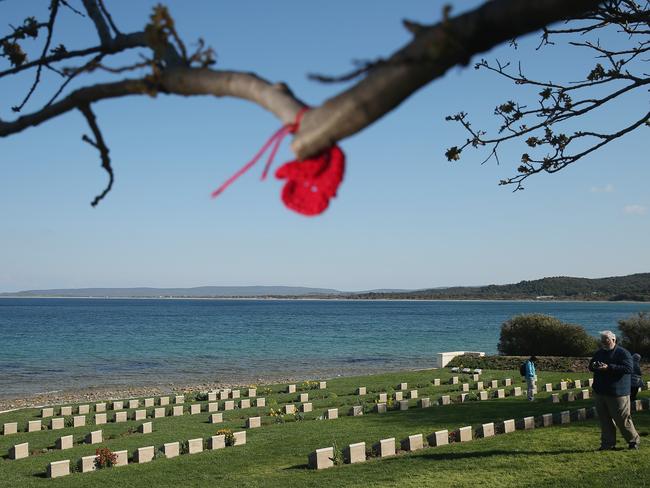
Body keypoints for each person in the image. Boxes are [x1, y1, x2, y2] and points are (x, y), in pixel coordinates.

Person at [589, 330, 641, 450]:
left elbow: (628, 368)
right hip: (600, 391)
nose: (604, 343)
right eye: (602, 341)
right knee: (604, 420)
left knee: (622, 419)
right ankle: (607, 444)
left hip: (618, 392)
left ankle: (633, 441)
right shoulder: (599, 353)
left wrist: (608, 367)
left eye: (606, 340)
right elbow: (591, 366)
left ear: (613, 339)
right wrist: (595, 366)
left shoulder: (623, 353)